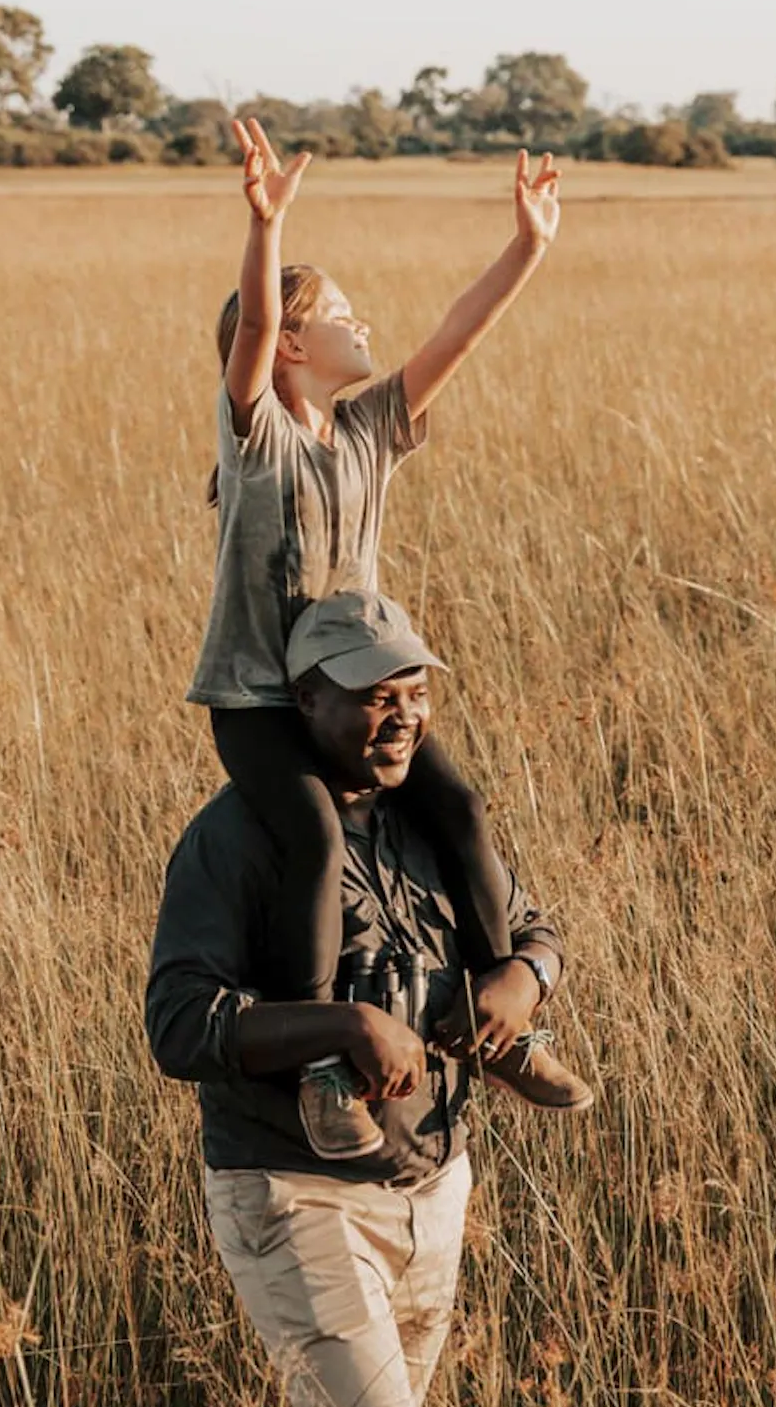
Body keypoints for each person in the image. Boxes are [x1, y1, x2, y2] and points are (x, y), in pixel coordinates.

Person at [146, 588, 585, 1407]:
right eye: (370, 698)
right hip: (294, 1194)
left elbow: (534, 929)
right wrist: (341, 1026)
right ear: (304, 702)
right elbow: (178, 1023)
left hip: (433, 1192)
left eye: (416, 693)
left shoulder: (427, 824)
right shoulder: (237, 840)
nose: (400, 717)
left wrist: (521, 983)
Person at [192, 118, 576, 1107]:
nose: (363, 328)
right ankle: (322, 1061)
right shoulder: (259, 439)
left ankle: (503, 1025)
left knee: (457, 807)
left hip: (362, 689)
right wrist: (266, 225)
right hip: (264, 700)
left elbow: (456, 333)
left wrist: (528, 249)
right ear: (292, 347)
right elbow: (249, 335)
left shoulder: (369, 431)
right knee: (316, 839)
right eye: (341, 316)